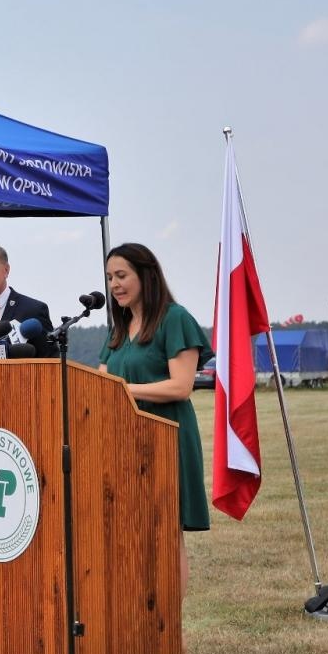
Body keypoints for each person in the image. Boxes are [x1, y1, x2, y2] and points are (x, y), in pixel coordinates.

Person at [98, 242, 212, 594]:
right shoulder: (119, 328)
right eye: (110, 278)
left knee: (165, 532)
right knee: (131, 532)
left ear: (146, 275)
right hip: (124, 439)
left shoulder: (175, 319)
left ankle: (166, 624)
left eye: (121, 275)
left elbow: (181, 386)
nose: (115, 285)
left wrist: (125, 391)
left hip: (166, 436)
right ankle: (138, 614)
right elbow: (102, 381)